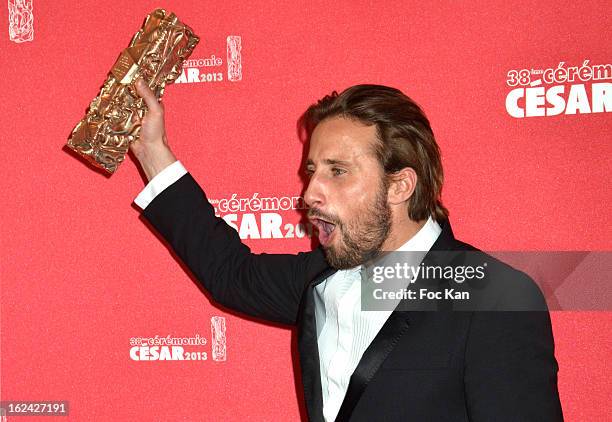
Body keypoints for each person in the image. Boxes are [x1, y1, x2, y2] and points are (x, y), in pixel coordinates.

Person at [130, 79, 563, 421]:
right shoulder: (318, 279)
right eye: (312, 171)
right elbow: (228, 273)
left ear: (400, 185)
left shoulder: (494, 297)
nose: (311, 193)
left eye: (338, 172)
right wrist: (152, 151)